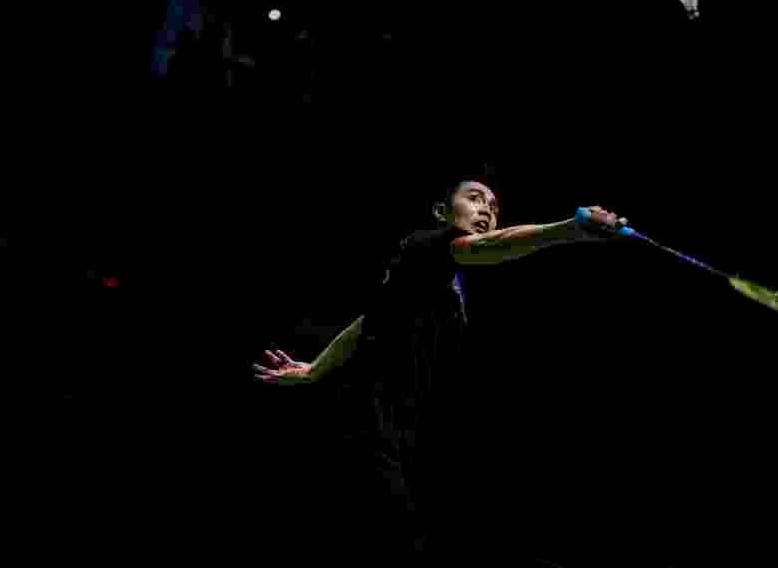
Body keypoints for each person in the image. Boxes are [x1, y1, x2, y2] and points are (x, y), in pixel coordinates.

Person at [252, 176, 630, 566]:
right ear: (441, 211)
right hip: (367, 431)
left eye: (495, 206)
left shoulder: (442, 287)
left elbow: (369, 322)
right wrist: (571, 230)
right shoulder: (422, 246)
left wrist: (315, 368)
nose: (487, 209)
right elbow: (488, 246)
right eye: (475, 198)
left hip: (411, 439)